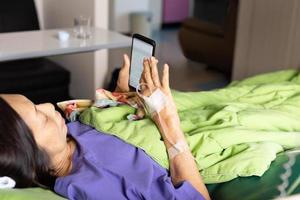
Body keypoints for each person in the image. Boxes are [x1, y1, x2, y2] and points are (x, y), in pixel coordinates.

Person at [0, 55, 210, 200]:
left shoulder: (69, 130)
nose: (47, 106)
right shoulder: (98, 185)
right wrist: (168, 119)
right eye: (41, 117)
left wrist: (120, 95)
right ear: (31, 161)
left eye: (35, 104)